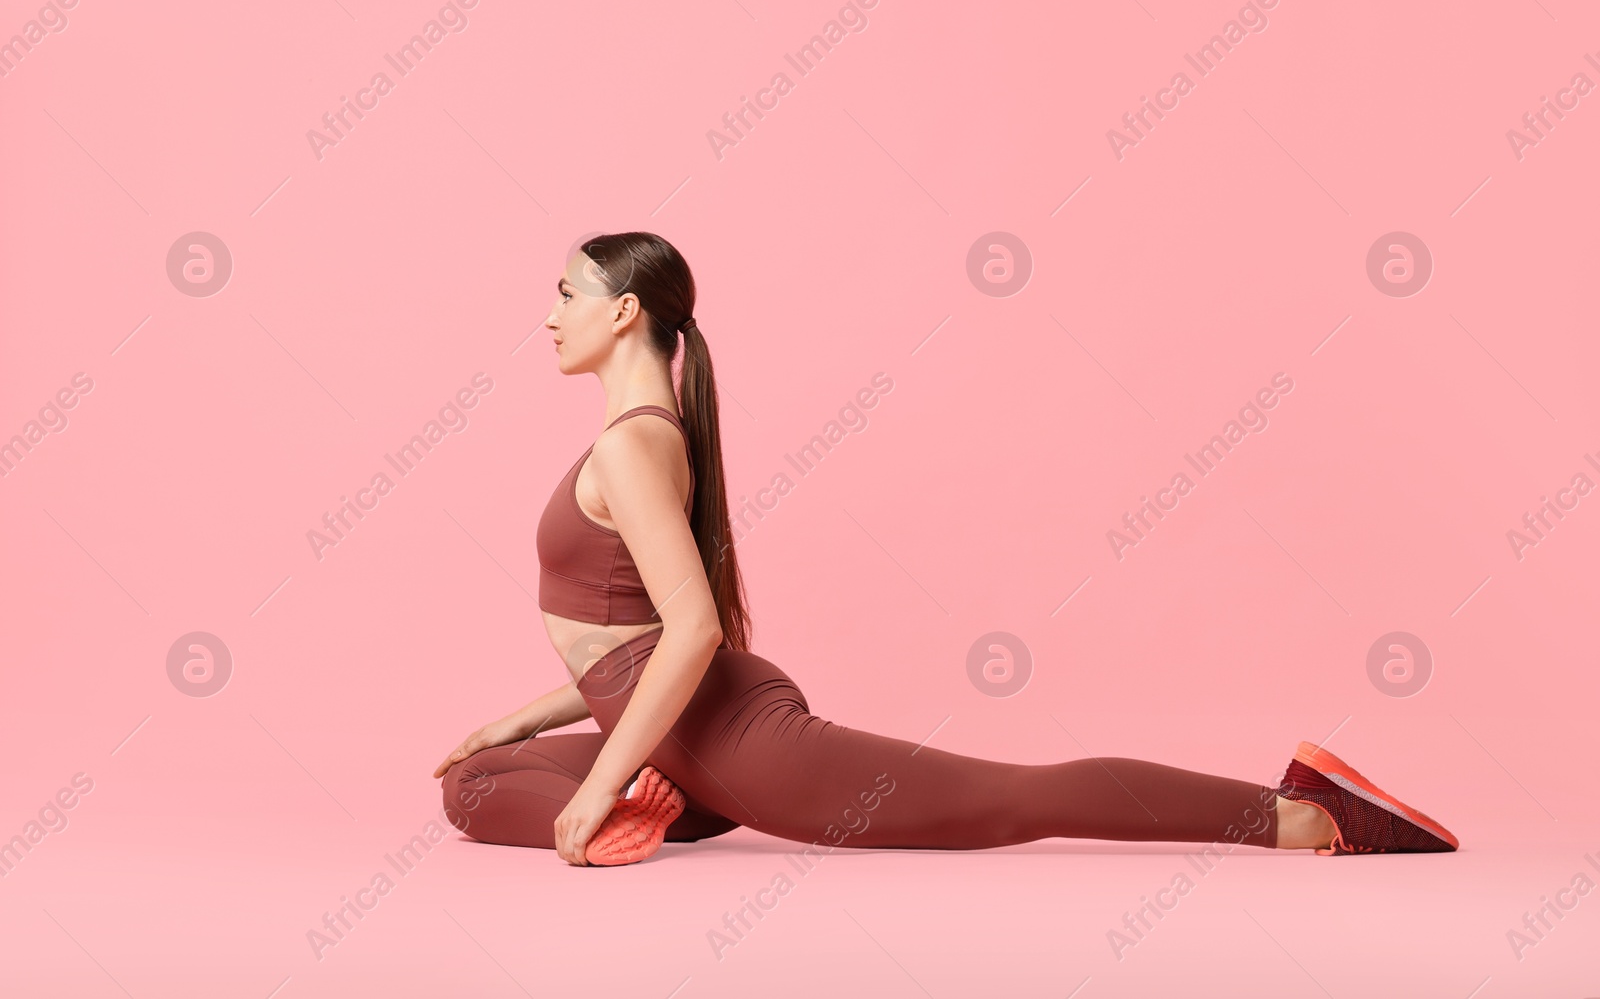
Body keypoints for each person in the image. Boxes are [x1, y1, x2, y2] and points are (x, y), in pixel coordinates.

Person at [435, 232, 1460, 866]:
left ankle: (1305, 817)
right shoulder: (641, 441)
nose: (549, 315)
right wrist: (519, 717)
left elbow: (692, 628)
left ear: (623, 312)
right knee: (474, 778)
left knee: (1011, 799)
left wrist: (590, 789)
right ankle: (651, 803)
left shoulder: (634, 446)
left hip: (733, 736)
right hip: (673, 729)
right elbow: (632, 637)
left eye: (565, 293)